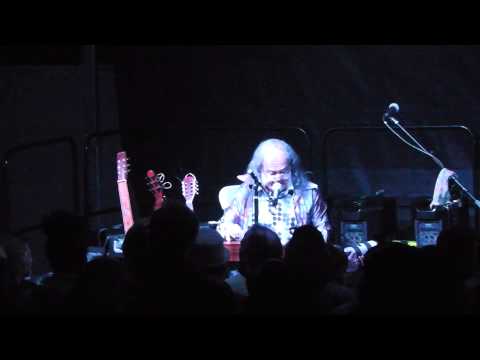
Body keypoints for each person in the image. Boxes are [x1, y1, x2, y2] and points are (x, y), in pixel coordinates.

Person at [217, 138, 331, 245]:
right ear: (259, 171)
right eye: (272, 173)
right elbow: (223, 225)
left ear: (292, 169)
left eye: (283, 172)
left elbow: (323, 228)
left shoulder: (310, 193)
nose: (278, 179)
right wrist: (230, 229)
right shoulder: (247, 192)